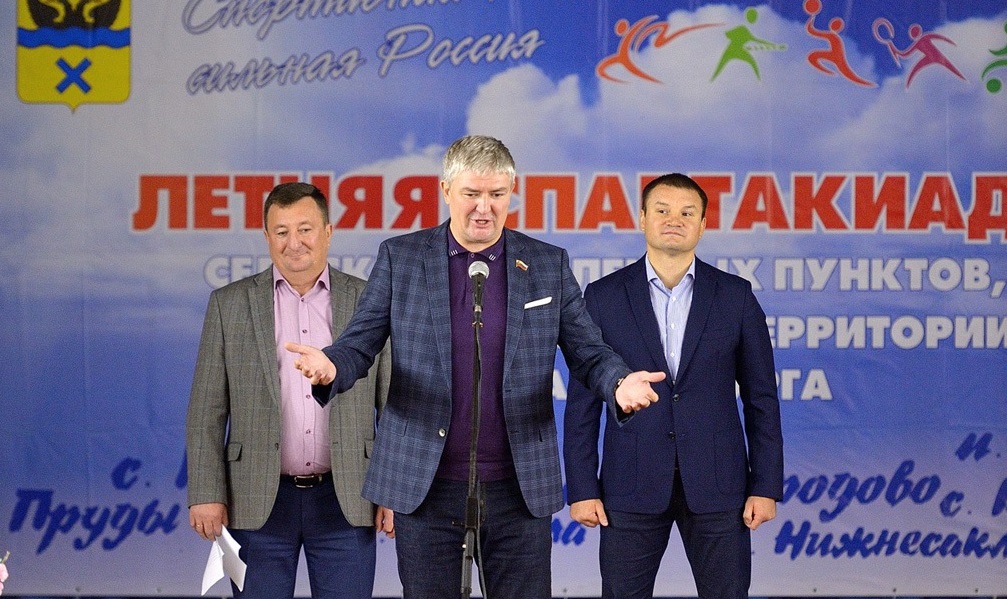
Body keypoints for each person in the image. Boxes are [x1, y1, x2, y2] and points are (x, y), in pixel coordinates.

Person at [286, 135, 666, 599]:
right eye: (472, 194)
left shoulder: (546, 264)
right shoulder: (401, 257)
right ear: (446, 190)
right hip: (425, 483)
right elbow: (360, 343)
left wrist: (619, 381)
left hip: (518, 485)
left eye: (496, 194)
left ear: (512, 192)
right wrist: (332, 364)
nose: (484, 208)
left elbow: (588, 351)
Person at [563, 173, 784, 599]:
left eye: (687, 213)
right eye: (662, 210)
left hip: (720, 486)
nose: (674, 220)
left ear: (703, 225)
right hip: (630, 484)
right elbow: (582, 404)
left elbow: (762, 400)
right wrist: (583, 489)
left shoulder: (735, 296)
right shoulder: (603, 296)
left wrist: (765, 485)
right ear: (642, 218)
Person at [185, 182, 392, 599]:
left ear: (328, 232)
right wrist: (206, 493)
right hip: (255, 498)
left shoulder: (369, 301)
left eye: (305, 229)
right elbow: (206, 410)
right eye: (281, 231)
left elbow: (393, 404)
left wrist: (393, 491)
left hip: (347, 497)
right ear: (266, 237)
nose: (293, 242)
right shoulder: (229, 304)